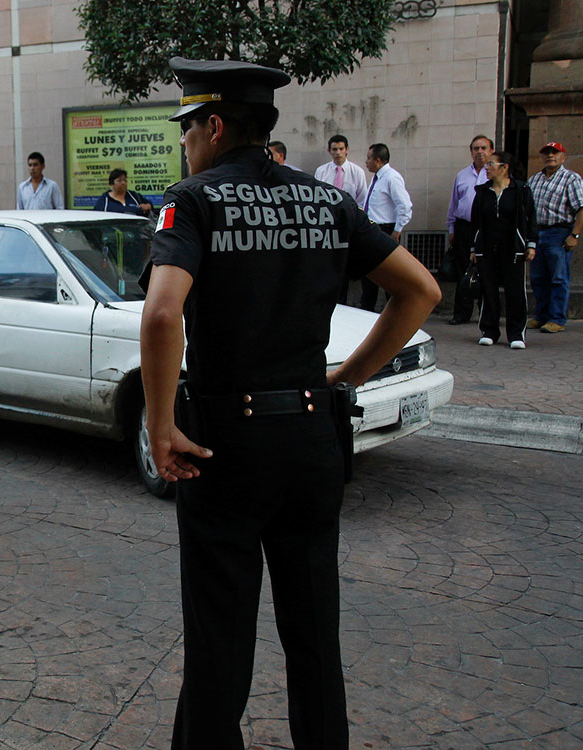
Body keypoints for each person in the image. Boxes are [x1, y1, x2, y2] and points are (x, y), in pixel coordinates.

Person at [140, 58, 440, 749]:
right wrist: (347, 379)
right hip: (312, 441)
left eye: (187, 129)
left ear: (213, 126)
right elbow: (420, 290)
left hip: (226, 444)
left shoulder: (193, 199)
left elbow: (161, 317)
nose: (186, 144)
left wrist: (160, 427)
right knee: (314, 640)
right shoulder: (327, 200)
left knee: (220, 643)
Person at [469, 152, 537, 349]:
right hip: (487, 247)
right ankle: (489, 331)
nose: (487, 167)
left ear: (504, 167)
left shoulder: (521, 190)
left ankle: (516, 334)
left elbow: (530, 217)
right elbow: (476, 221)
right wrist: (474, 247)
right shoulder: (482, 191)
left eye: (491, 163)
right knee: (488, 289)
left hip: (512, 247)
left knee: (515, 290)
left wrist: (530, 244)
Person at [527, 141, 583, 333]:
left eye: (555, 152)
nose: (550, 155)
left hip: (559, 232)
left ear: (563, 157)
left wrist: (574, 234)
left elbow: (581, 208)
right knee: (538, 277)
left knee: (558, 278)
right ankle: (541, 316)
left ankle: (557, 318)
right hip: (537, 232)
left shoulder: (571, 179)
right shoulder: (534, 180)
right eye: (547, 153)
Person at [445, 135, 494, 325]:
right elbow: (454, 203)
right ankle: (461, 314)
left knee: (487, 271)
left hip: (487, 228)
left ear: (490, 150)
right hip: (464, 227)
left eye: (483, 148)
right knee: (462, 271)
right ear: (471, 151)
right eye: (475, 148)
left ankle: (487, 313)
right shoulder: (462, 175)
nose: (479, 152)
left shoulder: (495, 173)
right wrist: (451, 229)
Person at [359, 143, 413, 312]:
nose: (366, 162)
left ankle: (394, 311)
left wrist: (397, 230)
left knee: (388, 273)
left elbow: (404, 205)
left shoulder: (391, 178)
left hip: (386, 229)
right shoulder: (377, 179)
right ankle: (367, 309)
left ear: (378, 160)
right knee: (369, 275)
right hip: (373, 228)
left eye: (369, 158)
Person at [314, 135, 368, 208]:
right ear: (329, 151)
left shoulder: (357, 172)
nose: (338, 152)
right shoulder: (321, 171)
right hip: (328, 213)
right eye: (334, 149)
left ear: (347, 149)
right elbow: (317, 195)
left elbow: (362, 198)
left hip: (350, 213)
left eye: (341, 149)